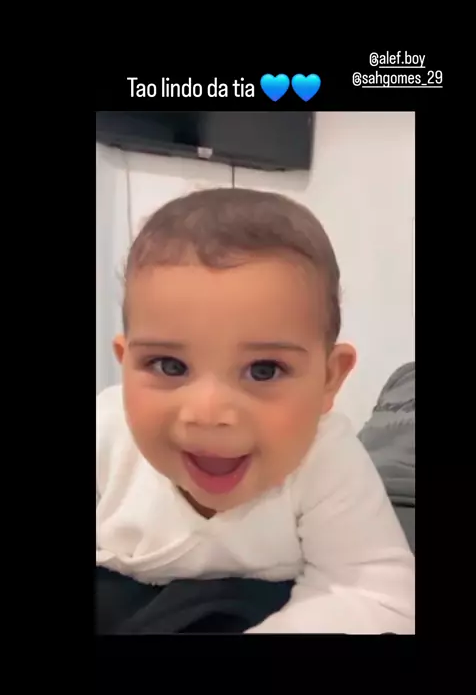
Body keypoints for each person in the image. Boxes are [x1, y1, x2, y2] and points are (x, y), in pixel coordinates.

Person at [96, 187, 415, 634]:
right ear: (125, 362)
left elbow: (380, 595)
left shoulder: (325, 457)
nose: (208, 413)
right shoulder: (107, 432)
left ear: (329, 379)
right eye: (169, 365)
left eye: (264, 370)